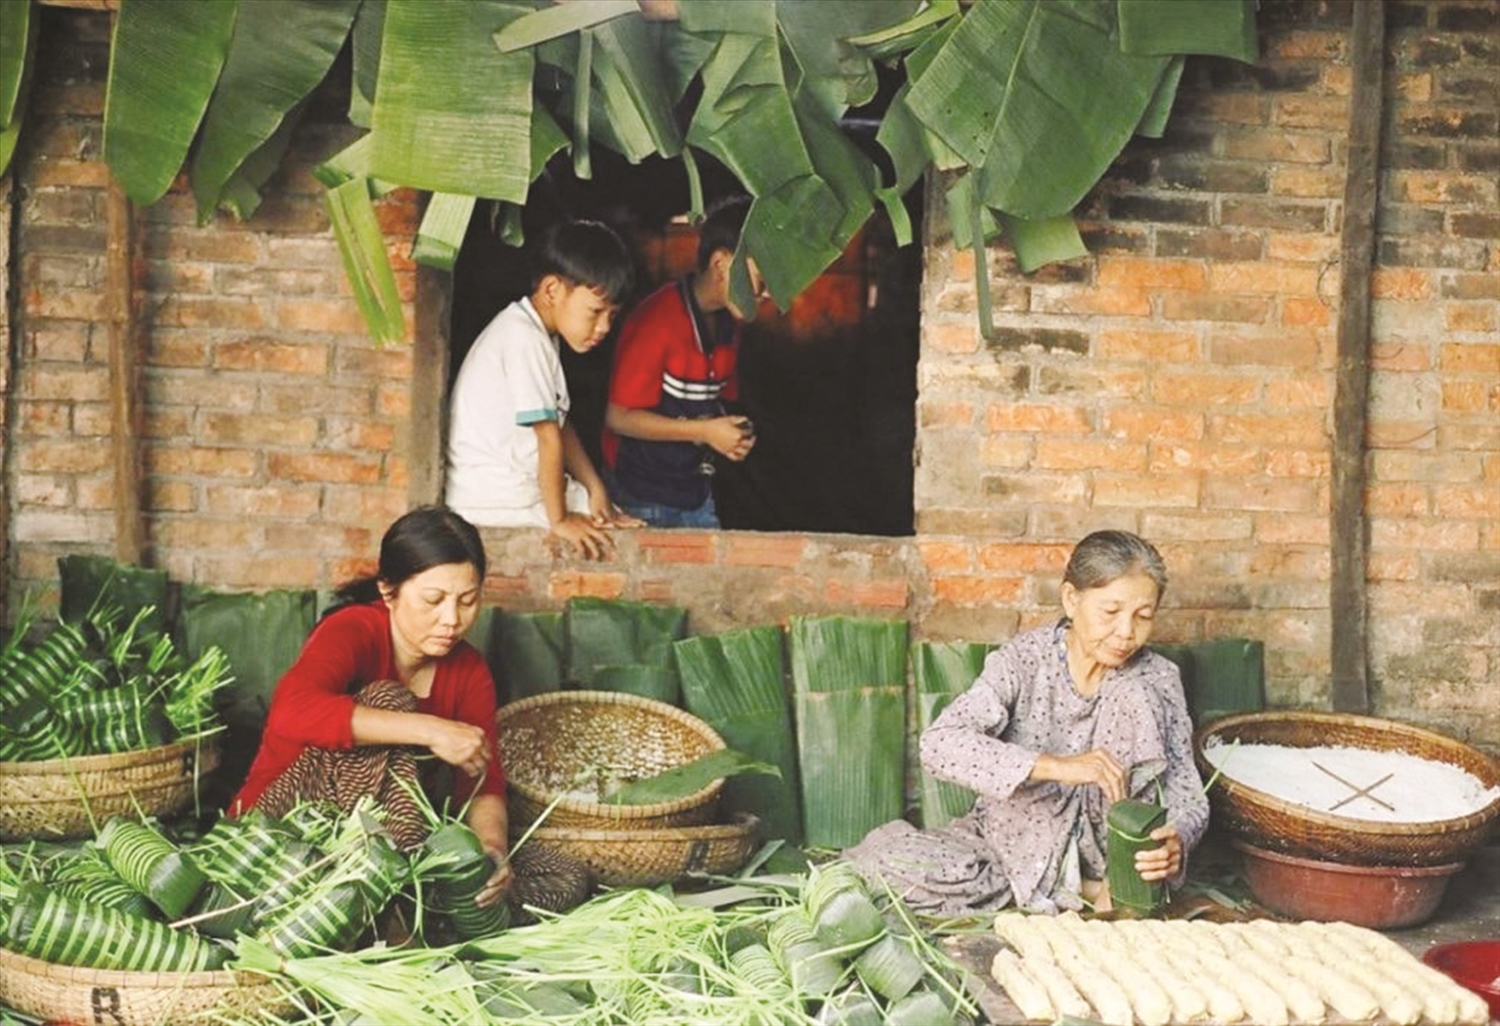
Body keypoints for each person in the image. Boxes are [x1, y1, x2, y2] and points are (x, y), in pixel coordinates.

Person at [230, 505, 589, 918]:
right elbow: (292, 711)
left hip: (403, 844)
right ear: (389, 592)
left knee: (563, 874)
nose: (451, 620)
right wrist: (431, 730)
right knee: (386, 699)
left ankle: (409, 902)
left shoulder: (468, 670)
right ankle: (388, 897)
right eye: (433, 601)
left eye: (468, 601)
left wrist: (491, 850)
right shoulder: (353, 630)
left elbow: (482, 781)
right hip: (294, 832)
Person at [846, 530, 1209, 916]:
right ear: (1071, 599)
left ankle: (1107, 885)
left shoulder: (1157, 678)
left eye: (1143, 617)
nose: (1126, 632)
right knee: (883, 865)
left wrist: (1177, 840)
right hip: (1015, 847)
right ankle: (1079, 891)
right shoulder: (1024, 660)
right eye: (1110, 612)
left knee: (1134, 691)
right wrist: (1057, 766)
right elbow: (939, 744)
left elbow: (1187, 790)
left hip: (1112, 855)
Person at [445, 220, 641, 559]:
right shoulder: (523, 339)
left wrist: (595, 489)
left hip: (513, 491)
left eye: (612, 315)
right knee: (609, 540)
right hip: (493, 498)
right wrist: (561, 519)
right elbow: (548, 437)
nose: (605, 327)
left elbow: (561, 428)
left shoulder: (538, 334)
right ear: (552, 290)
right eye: (595, 312)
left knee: (607, 514)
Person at [601, 196, 764, 528]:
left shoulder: (729, 326)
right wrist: (705, 430)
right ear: (721, 265)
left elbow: (715, 403)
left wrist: (730, 434)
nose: (770, 291)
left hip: (693, 490)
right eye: (764, 276)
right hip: (638, 493)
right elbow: (618, 418)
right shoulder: (656, 321)